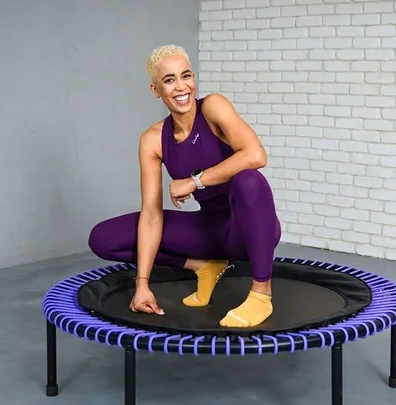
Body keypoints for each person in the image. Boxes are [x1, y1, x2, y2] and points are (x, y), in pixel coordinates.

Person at [88, 44, 281, 328]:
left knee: (249, 179)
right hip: (210, 231)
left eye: (186, 76)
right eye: (169, 80)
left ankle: (261, 295)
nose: (181, 87)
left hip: (249, 229)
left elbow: (256, 155)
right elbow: (152, 215)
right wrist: (143, 283)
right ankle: (205, 267)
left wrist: (194, 182)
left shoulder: (213, 106)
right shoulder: (152, 140)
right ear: (156, 90)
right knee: (104, 238)